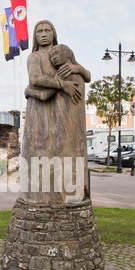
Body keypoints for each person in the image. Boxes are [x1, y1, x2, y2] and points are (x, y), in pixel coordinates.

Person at [20, 21, 91, 204]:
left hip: (64, 114)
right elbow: (35, 79)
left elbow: (87, 76)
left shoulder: (61, 54)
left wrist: (76, 69)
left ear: (54, 33)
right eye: (39, 31)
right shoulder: (34, 57)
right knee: (39, 150)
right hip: (39, 114)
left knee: (63, 151)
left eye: (47, 30)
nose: (43, 34)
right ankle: (40, 195)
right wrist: (61, 84)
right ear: (35, 35)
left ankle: (65, 192)